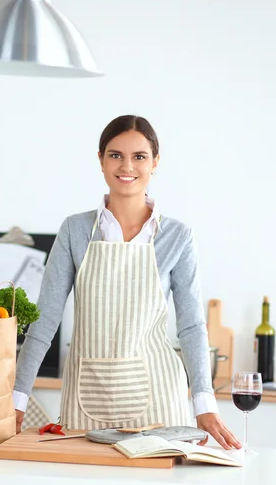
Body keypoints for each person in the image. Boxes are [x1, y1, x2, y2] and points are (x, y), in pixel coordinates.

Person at [14, 115, 241, 450]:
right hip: (87, 396)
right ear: (101, 161)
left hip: (160, 399)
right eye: (116, 155)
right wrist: (18, 396)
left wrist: (203, 403)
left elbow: (191, 325)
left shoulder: (177, 236)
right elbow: (46, 317)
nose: (127, 166)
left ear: (155, 163)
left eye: (139, 156)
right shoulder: (75, 230)